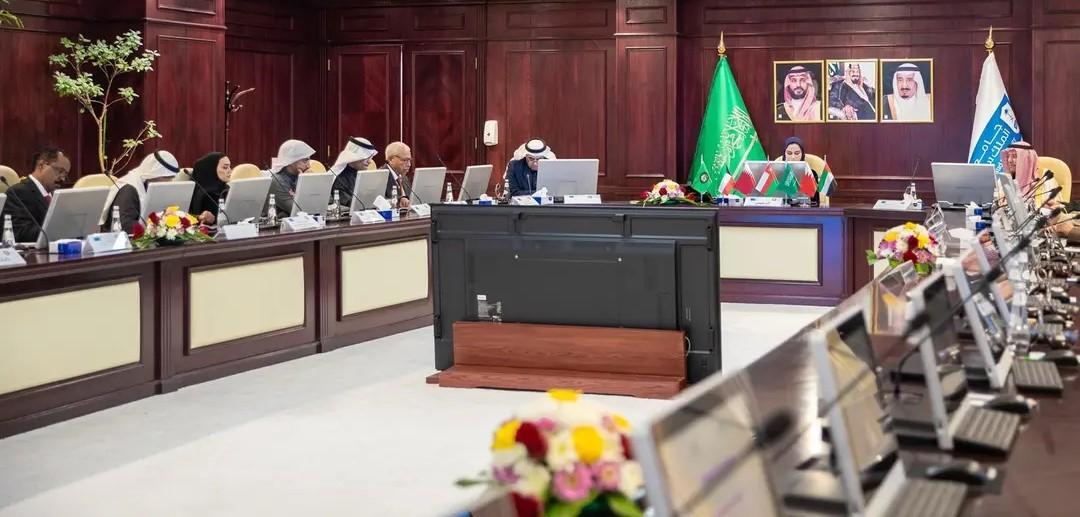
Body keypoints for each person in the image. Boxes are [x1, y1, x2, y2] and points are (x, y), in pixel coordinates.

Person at [0, 146, 69, 242]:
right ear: (42, 165)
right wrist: (59, 230)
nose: (63, 178)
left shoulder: (58, 196)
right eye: (60, 171)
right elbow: (18, 232)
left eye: (65, 174)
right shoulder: (17, 193)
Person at [103, 151, 180, 233]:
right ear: (154, 174)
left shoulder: (151, 184)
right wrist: (155, 231)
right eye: (167, 178)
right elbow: (125, 225)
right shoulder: (128, 189)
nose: (169, 182)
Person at [266, 139, 315, 218]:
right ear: (291, 161)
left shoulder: (300, 175)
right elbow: (298, 210)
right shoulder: (277, 181)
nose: (309, 165)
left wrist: (311, 182)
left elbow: (328, 201)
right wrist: (304, 183)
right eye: (305, 161)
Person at [329, 137, 378, 209]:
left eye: (370, 157)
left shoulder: (362, 174)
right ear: (354, 157)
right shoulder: (339, 178)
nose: (369, 161)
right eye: (366, 158)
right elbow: (348, 202)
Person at [189, 152, 231, 225]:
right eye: (225, 167)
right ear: (211, 168)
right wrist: (200, 217)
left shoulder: (227, 189)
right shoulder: (202, 193)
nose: (230, 171)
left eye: (230, 167)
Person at [781, 136, 820, 207]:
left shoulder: (811, 173)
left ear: (802, 154)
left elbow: (815, 203)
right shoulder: (775, 173)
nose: (793, 157)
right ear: (784, 154)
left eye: (797, 153)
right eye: (789, 153)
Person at [383, 141, 413, 208]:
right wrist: (399, 201)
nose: (409, 164)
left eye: (410, 160)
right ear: (391, 160)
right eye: (405, 160)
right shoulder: (380, 177)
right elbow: (378, 202)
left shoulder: (404, 178)